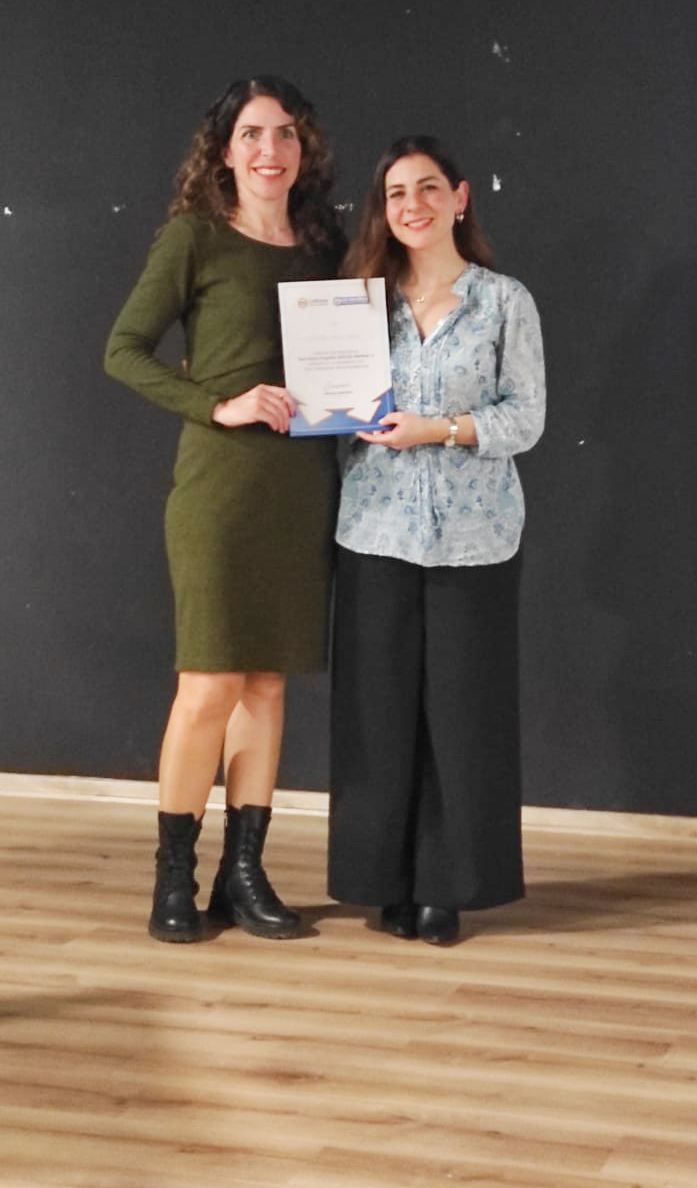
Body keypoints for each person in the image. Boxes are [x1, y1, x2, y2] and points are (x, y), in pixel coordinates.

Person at [105, 75, 345, 943]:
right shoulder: (194, 238)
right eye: (251, 134)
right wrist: (218, 403)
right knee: (208, 684)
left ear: (302, 148)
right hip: (219, 489)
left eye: (284, 133)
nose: (269, 150)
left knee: (268, 683)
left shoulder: (323, 247)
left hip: (300, 488)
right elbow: (123, 350)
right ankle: (176, 877)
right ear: (224, 150)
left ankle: (244, 877)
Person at [328, 136, 545, 945]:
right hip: (375, 529)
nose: (411, 205)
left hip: (475, 538)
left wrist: (440, 428)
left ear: (460, 198)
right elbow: (333, 410)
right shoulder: (356, 306)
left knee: (462, 715)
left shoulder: (504, 302)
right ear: (382, 211)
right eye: (395, 194)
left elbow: (526, 418)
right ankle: (382, 882)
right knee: (378, 715)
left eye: (427, 188)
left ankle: (445, 889)